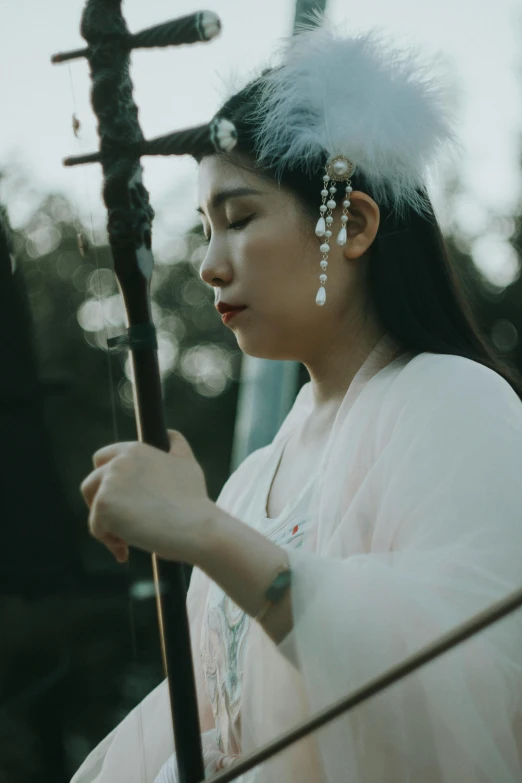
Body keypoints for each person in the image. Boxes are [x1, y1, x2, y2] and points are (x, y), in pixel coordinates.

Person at [71, 18, 522, 783]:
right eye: (203, 228)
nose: (210, 265)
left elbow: (470, 684)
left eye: (241, 219)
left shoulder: (457, 402)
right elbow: (201, 724)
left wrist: (203, 529)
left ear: (349, 224)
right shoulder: (255, 476)